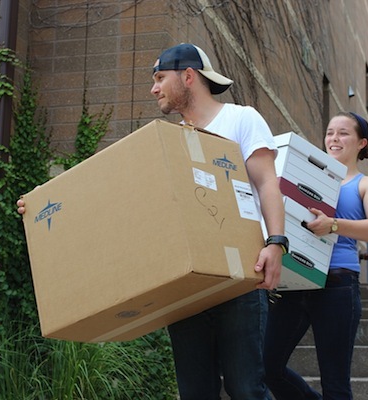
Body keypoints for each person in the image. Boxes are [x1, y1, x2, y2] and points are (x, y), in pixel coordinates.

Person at [17, 43, 286, 399]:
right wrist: (43, 205)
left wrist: (276, 243)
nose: (153, 88)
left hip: (240, 277)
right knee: (194, 392)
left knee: (246, 388)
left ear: (188, 76)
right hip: (187, 283)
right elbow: (118, 199)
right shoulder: (169, 141)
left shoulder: (240, 119)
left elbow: (268, 182)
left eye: (160, 78)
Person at [263, 112, 368, 400]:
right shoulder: (307, 176)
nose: (334, 138)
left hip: (338, 285)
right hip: (296, 282)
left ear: (362, 143)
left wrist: (333, 225)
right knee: (267, 367)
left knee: (335, 383)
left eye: (344, 133)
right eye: (330, 132)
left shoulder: (366, 184)